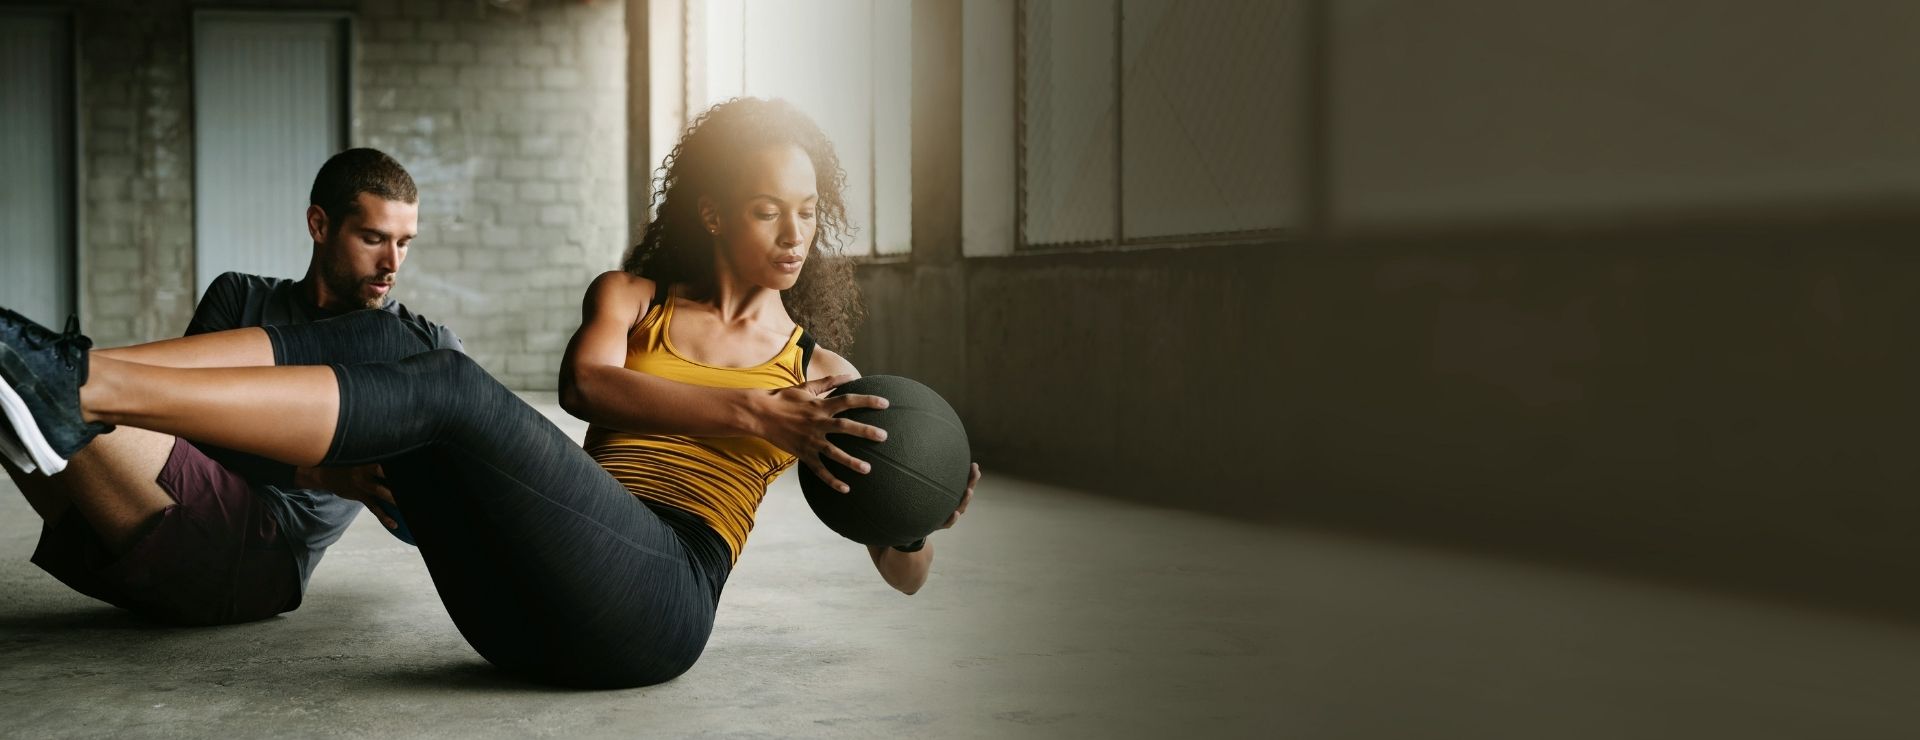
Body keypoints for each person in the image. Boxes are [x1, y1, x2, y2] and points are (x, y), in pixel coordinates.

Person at [0, 98, 978, 688]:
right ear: (717, 211)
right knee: (397, 339)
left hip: (657, 603)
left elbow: (900, 567)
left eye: (809, 210)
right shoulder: (631, 298)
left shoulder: (821, 375)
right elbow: (587, 384)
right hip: (517, 614)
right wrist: (749, 411)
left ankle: (76, 383)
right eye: (769, 207)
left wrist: (921, 516)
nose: (794, 230)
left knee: (449, 386)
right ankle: (76, 379)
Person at [0, 148, 460, 626]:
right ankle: (38, 360)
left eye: (405, 243)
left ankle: (36, 358)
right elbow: (181, 428)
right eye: (373, 239)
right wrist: (318, 472)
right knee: (24, 402)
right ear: (319, 226)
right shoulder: (240, 295)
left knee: (53, 391)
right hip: (121, 533)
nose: (392, 263)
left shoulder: (414, 344)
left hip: (257, 557)